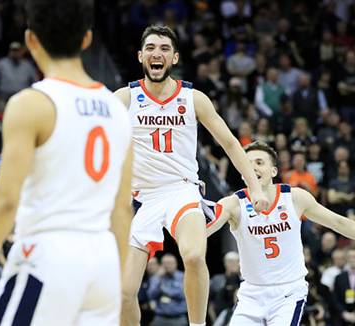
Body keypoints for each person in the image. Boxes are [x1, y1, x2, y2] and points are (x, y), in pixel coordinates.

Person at [0, 0, 133, 325]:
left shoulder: (31, 103)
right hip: (104, 259)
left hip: (49, 254)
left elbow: (6, 199)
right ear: (87, 39)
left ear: (30, 39)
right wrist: (116, 281)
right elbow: (123, 209)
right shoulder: (118, 109)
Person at [115, 25, 268, 326]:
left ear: (174, 58)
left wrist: (256, 189)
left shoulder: (193, 98)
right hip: (140, 198)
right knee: (123, 292)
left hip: (181, 190)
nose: (156, 53)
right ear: (140, 56)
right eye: (150, 48)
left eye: (163, 49)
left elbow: (230, 144)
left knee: (195, 255)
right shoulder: (124, 97)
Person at [207, 141, 355, 325]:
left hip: (288, 292)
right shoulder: (232, 204)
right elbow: (203, 230)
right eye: (248, 164)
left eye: (260, 162)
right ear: (241, 172)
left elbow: (339, 222)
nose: (253, 168)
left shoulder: (294, 197)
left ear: (274, 171)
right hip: (251, 293)